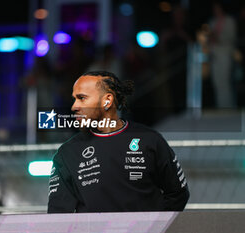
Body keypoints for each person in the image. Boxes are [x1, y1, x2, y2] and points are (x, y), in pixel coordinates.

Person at [47, 71, 189, 213]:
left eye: (82, 98)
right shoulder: (67, 153)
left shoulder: (149, 140)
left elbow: (178, 194)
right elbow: (58, 213)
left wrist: (154, 226)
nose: (74, 106)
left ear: (107, 101)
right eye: (74, 99)